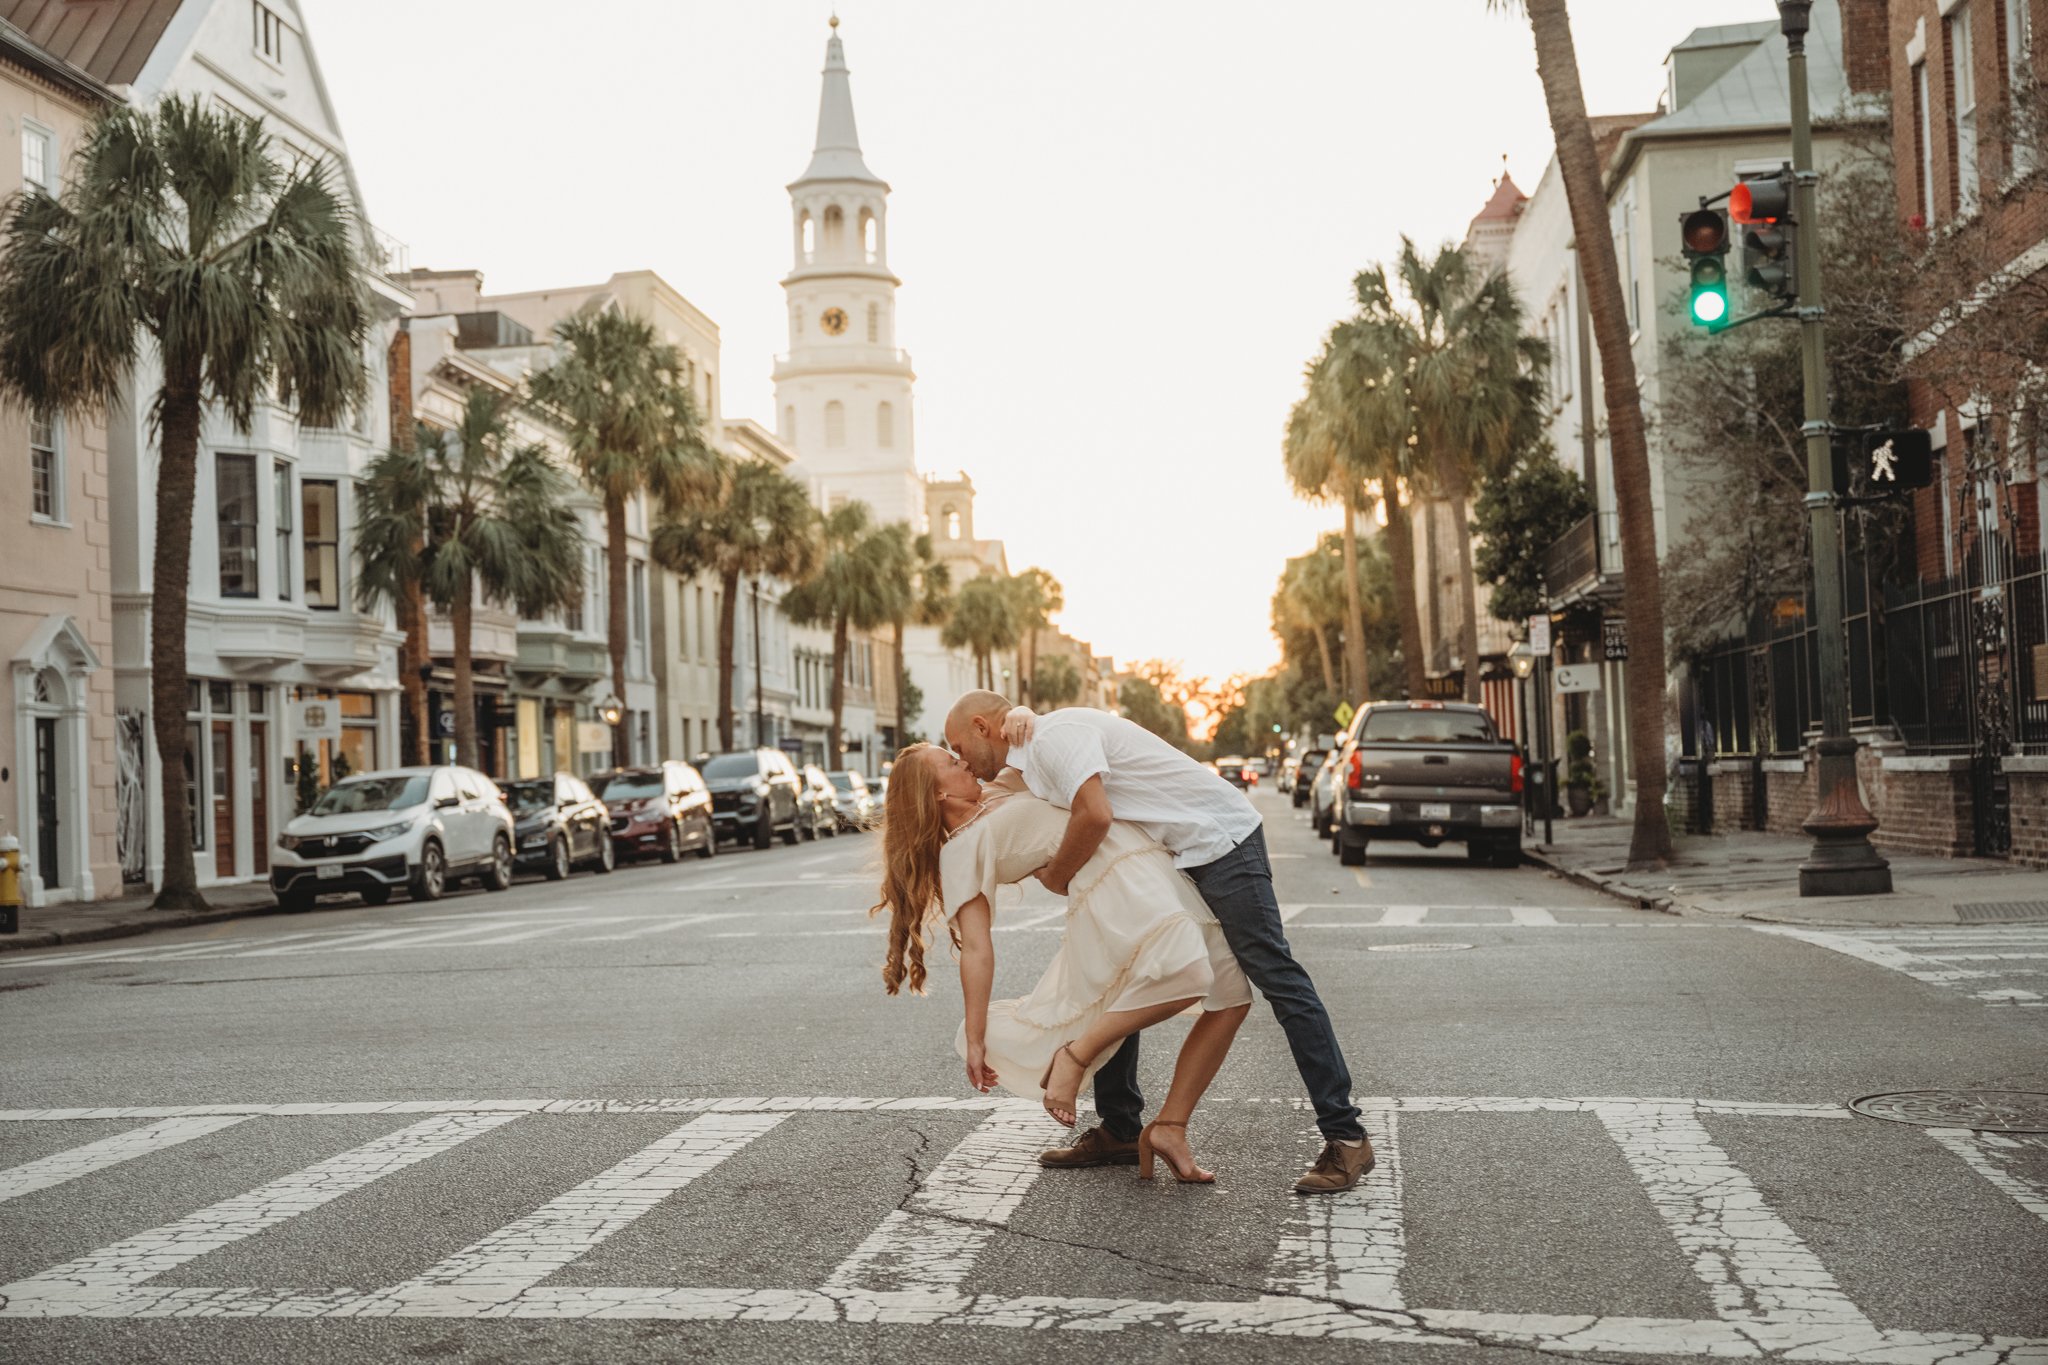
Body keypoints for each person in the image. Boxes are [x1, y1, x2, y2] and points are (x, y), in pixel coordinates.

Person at [943, 691, 1374, 1195]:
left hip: (1219, 842)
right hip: (1176, 853)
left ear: (979, 726)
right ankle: (1124, 1129)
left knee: (1278, 979)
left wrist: (1058, 876)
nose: (960, 760)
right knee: (1128, 967)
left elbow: (1095, 814)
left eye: (958, 746)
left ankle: (1346, 1136)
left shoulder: (1054, 737)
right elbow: (986, 794)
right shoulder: (1027, 755)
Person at [873, 743, 1252, 1183]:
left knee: (1232, 996)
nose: (964, 762)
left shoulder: (1000, 787)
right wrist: (976, 1037)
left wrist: (1018, 715)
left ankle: (1170, 1127)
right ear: (936, 793)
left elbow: (1035, 750)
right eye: (951, 763)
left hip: (1152, 866)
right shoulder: (961, 850)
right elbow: (977, 949)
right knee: (1189, 975)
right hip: (1112, 883)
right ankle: (1074, 1057)